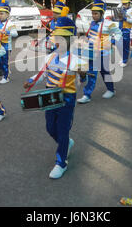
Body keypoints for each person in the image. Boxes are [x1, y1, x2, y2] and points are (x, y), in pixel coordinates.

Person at [23, 17, 87, 179]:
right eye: (56, 38)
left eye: (61, 38)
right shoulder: (49, 58)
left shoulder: (77, 61)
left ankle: (61, 162)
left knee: (63, 130)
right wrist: (31, 80)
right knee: (50, 128)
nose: (57, 41)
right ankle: (66, 144)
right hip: (49, 96)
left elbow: (83, 79)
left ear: (68, 40)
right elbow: (42, 73)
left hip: (67, 99)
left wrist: (83, 73)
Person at [77, 0, 122, 104]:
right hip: (92, 52)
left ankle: (111, 90)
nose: (94, 15)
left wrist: (112, 42)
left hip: (104, 53)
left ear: (102, 13)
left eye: (96, 13)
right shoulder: (92, 23)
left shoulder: (108, 24)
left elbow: (118, 33)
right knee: (91, 73)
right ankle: (87, 94)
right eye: (93, 13)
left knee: (105, 72)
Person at [0, 0, 18, 84]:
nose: (0, 16)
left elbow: (15, 34)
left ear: (7, 15)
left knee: (5, 62)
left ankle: (6, 77)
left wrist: (7, 32)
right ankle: (4, 73)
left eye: (2, 14)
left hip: (6, 45)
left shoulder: (10, 24)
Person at [118, 0, 132, 67]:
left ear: (129, 3)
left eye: (125, 4)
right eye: (123, 4)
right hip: (120, 29)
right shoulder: (121, 9)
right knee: (120, 45)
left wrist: (125, 18)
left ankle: (125, 60)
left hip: (127, 30)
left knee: (126, 46)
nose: (124, 5)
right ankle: (123, 58)